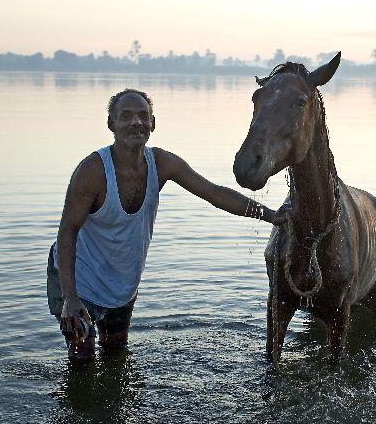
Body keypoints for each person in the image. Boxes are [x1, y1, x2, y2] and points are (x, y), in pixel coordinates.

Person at [47, 88, 283, 361]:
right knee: (82, 360)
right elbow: (67, 232)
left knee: (116, 355)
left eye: (142, 116)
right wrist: (70, 298)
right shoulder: (92, 172)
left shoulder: (161, 163)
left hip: (121, 286)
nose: (136, 122)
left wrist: (269, 215)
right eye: (126, 116)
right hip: (79, 282)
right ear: (111, 124)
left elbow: (215, 193)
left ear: (153, 124)